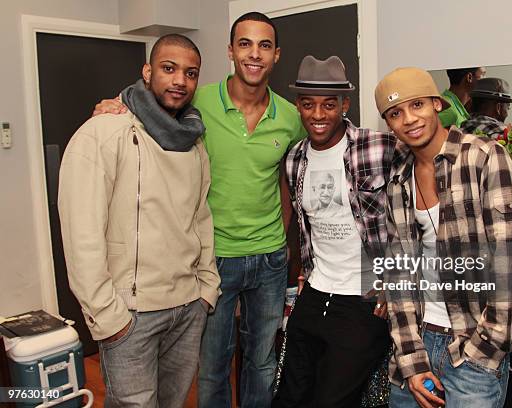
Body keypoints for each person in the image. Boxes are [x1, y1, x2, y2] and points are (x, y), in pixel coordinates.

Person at [93, 12, 307, 408]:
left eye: (264, 45)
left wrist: (281, 231)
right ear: (230, 51)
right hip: (213, 258)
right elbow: (151, 105)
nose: (254, 54)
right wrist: (116, 103)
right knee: (212, 365)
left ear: (276, 55)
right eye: (244, 44)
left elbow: (288, 179)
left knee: (261, 362)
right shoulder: (199, 101)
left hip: (270, 259)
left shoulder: (290, 117)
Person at [58, 34, 220, 408]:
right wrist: (107, 315)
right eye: (168, 68)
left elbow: (200, 217)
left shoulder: (194, 142)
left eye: (190, 73)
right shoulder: (102, 132)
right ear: (147, 72)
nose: (180, 80)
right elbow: (82, 233)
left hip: (187, 305)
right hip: (131, 314)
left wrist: (206, 289)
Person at [374, 67, 512, 408]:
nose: (409, 119)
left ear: (436, 104)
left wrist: (483, 352)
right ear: (389, 123)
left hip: (472, 349)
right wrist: (410, 360)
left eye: (417, 106)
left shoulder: (485, 158)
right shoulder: (398, 179)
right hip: (415, 347)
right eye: (396, 113)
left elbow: (509, 266)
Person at [272, 55, 393, 408]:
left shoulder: (378, 147)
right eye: (308, 105)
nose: (318, 115)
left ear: (345, 104)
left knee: (333, 400)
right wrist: (305, 273)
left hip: (364, 300)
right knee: (289, 396)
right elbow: (303, 224)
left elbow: (413, 213)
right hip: (315, 292)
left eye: (329, 104)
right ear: (298, 106)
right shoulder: (295, 158)